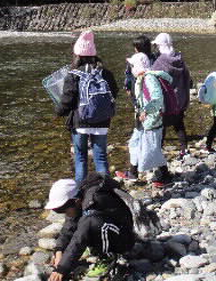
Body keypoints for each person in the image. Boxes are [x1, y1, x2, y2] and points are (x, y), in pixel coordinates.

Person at [55, 31, 119, 183]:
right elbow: (114, 93)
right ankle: (106, 191)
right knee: (101, 158)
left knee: (81, 158)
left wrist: (58, 112)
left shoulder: (73, 74)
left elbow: (67, 100)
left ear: (77, 55)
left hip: (80, 122)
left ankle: (80, 194)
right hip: (102, 121)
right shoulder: (105, 73)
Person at [46, 175, 135, 280]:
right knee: (83, 222)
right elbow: (69, 227)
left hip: (124, 238)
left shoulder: (93, 203)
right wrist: (59, 249)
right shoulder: (80, 199)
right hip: (108, 228)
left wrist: (62, 268)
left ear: (76, 201)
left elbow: (80, 238)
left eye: (63, 210)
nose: (62, 213)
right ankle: (97, 248)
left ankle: (108, 257)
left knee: (91, 223)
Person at [116, 52, 173, 187]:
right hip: (143, 119)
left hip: (151, 119)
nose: (130, 68)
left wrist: (146, 110)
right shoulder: (142, 78)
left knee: (152, 149)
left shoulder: (149, 79)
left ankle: (165, 175)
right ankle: (133, 172)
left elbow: (158, 99)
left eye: (132, 65)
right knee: (134, 143)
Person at [151, 33, 192, 157]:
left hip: (166, 100)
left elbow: (152, 80)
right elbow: (188, 80)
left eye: (157, 46)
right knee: (179, 125)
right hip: (179, 99)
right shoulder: (180, 59)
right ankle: (184, 149)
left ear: (160, 46)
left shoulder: (160, 61)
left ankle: (158, 151)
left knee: (161, 126)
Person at [124, 35, 156, 103]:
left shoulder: (134, 59)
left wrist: (127, 87)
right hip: (151, 87)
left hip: (137, 87)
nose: (134, 49)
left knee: (139, 104)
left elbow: (128, 75)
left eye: (135, 47)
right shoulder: (154, 58)